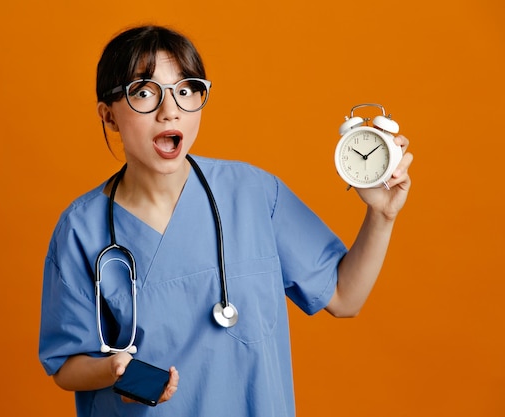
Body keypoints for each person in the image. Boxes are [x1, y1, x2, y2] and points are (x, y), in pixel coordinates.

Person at [38, 25, 413, 417]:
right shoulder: (82, 229)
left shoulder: (253, 193)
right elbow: (65, 365)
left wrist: (382, 214)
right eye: (145, 92)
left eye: (186, 90)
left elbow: (344, 297)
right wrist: (114, 371)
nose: (171, 110)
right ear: (108, 114)